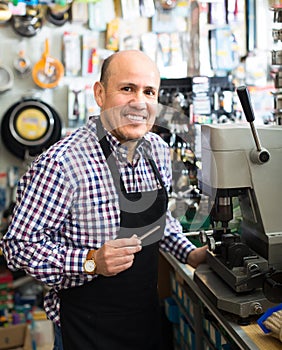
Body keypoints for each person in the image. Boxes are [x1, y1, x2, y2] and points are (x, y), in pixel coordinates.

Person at [1, 50, 207, 350]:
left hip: (144, 319)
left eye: (149, 92)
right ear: (100, 94)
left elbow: (160, 220)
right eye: (127, 89)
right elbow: (17, 247)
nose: (139, 102)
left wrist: (189, 254)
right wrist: (90, 262)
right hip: (86, 330)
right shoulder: (61, 164)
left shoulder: (158, 150)